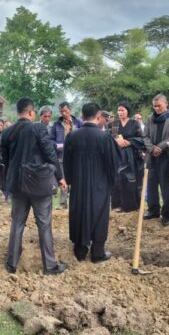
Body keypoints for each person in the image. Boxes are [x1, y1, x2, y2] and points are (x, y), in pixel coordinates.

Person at [1, 98, 68, 275]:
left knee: (17, 223)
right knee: (44, 224)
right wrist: (60, 177)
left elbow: (6, 161)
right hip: (39, 183)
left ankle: (11, 263)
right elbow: (50, 154)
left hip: (17, 184)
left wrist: (8, 183)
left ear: (18, 112)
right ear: (31, 112)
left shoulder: (7, 132)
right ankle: (50, 266)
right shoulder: (38, 128)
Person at [63, 103, 118, 263]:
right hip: (99, 184)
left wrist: (71, 179)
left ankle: (80, 251)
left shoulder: (72, 136)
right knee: (99, 215)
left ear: (82, 116)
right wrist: (110, 181)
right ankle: (97, 252)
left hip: (79, 184)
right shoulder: (105, 137)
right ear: (99, 116)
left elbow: (66, 162)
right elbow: (113, 164)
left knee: (79, 213)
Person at [143, 94, 169, 227]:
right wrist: (151, 148)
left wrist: (161, 147)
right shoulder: (150, 118)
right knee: (151, 184)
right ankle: (153, 210)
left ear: (166, 104)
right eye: (154, 106)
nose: (156, 108)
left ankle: (166, 214)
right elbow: (145, 136)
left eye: (159, 105)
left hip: (167, 156)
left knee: (166, 186)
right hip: (152, 156)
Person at [110, 101, 145, 212]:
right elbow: (110, 137)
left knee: (131, 180)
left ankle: (133, 206)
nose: (120, 112)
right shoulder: (114, 124)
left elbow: (141, 139)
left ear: (128, 111)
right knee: (118, 179)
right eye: (119, 110)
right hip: (118, 155)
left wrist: (130, 142)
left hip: (132, 156)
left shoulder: (134, 123)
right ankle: (118, 205)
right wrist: (117, 141)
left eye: (122, 110)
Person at [50, 102, 82, 210]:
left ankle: (76, 203)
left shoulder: (78, 123)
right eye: (61, 111)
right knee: (63, 178)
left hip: (76, 155)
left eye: (65, 111)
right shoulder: (56, 124)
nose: (64, 113)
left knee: (77, 178)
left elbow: (84, 137)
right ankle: (63, 204)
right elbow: (51, 139)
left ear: (70, 110)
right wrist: (56, 145)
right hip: (61, 154)